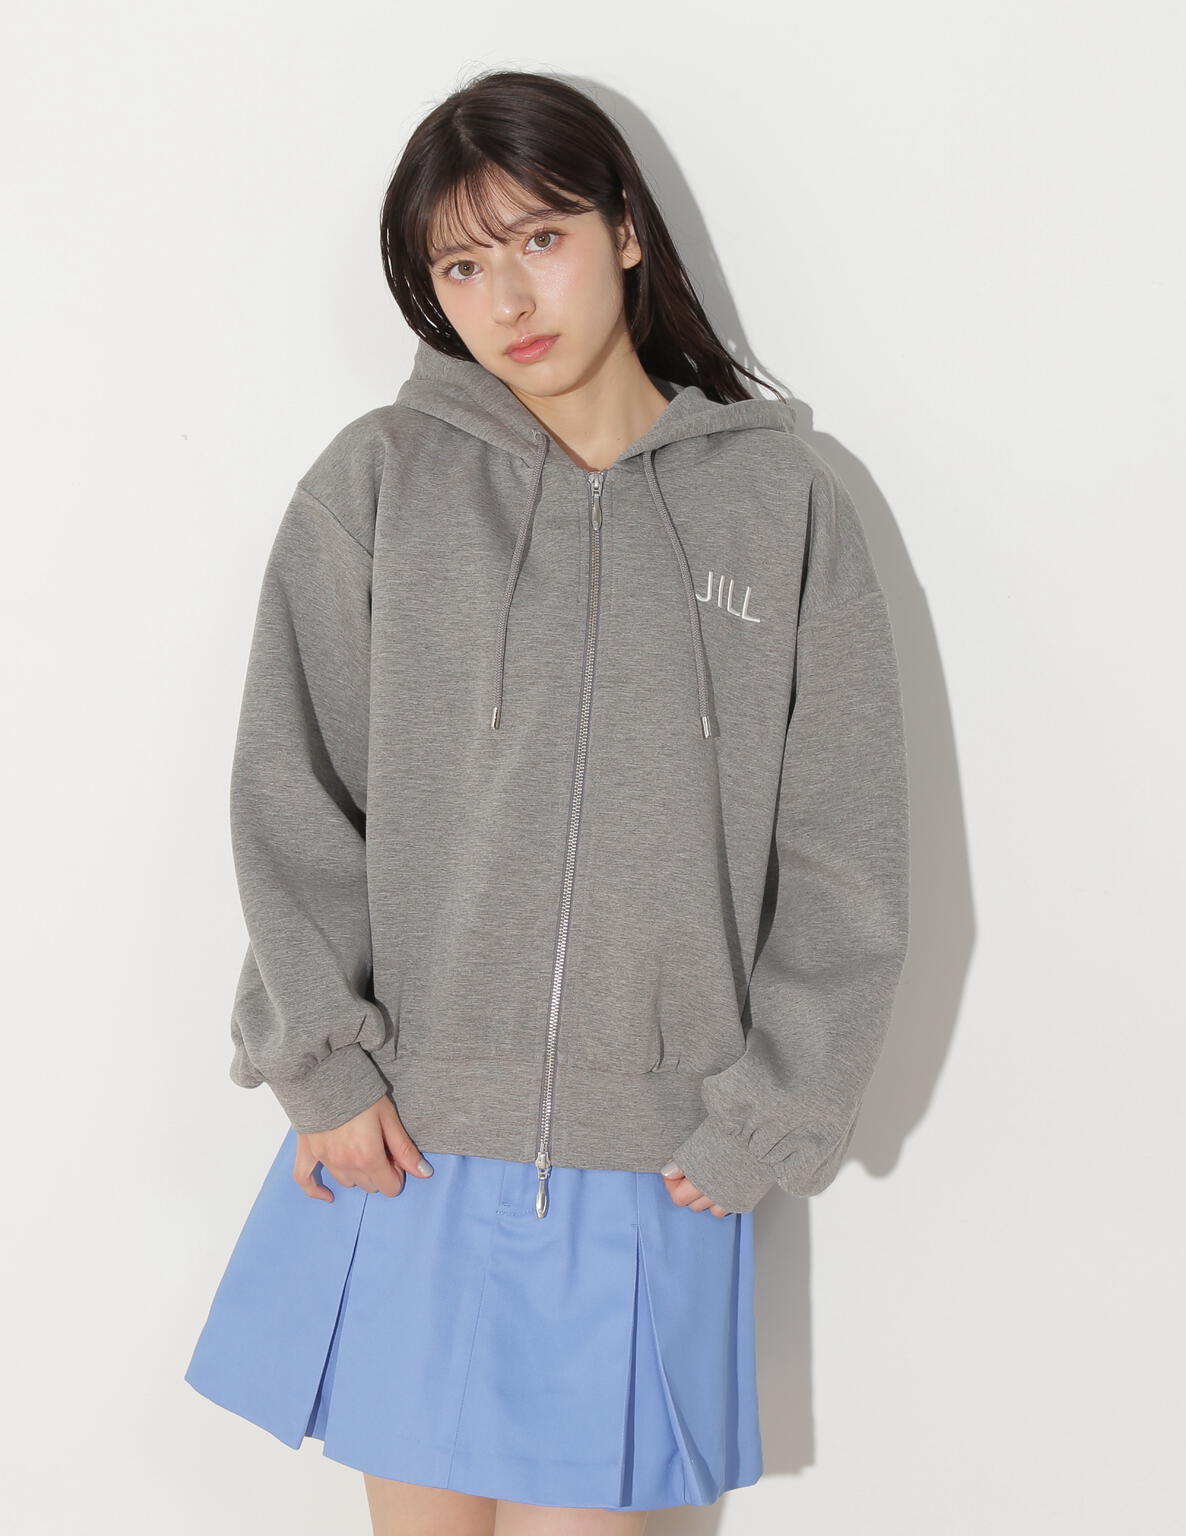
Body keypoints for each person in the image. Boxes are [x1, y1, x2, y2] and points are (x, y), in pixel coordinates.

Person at [185, 68, 911, 1536]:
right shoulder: (380, 483)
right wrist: (323, 1068)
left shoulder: (785, 507)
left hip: (653, 1160)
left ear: (625, 230)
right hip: (407, 1141)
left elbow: (846, 851)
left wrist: (773, 1112)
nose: (507, 297)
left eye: (539, 239)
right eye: (461, 266)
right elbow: (290, 786)